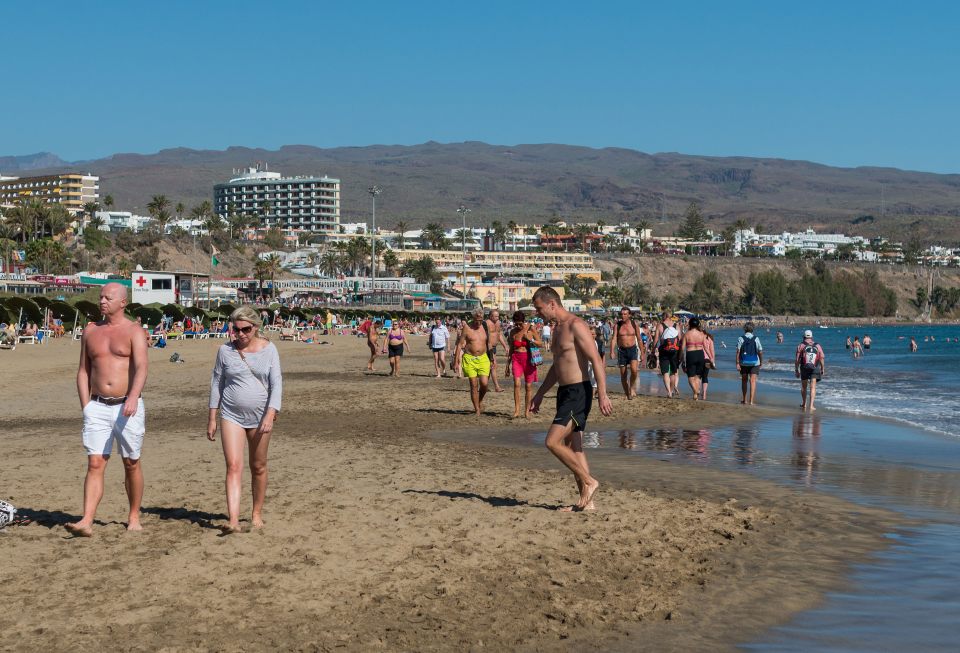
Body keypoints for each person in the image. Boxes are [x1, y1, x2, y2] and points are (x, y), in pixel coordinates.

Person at [66, 283, 148, 537]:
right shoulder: (90, 331)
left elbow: (142, 367)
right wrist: (86, 405)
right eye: (101, 297)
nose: (102, 301)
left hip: (127, 406)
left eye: (108, 298)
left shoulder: (134, 330)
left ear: (122, 302)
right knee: (95, 462)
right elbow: (83, 371)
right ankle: (87, 519)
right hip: (98, 406)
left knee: (131, 462)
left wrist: (133, 397)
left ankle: (133, 514)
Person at [529, 286, 613, 512]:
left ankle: (589, 481)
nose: (538, 314)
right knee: (574, 447)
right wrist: (540, 393)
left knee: (551, 442)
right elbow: (557, 368)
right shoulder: (556, 330)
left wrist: (602, 394)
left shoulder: (576, 325)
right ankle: (588, 502)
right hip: (564, 392)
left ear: (552, 304)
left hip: (579, 392)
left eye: (539, 309)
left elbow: (596, 360)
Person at [207, 306, 282, 533]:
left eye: (245, 329)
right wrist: (212, 417)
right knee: (233, 466)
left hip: (261, 417)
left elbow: (277, 383)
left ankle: (256, 512)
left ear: (256, 327)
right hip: (231, 415)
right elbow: (216, 383)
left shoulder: (269, 350)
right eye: (235, 329)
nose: (240, 334)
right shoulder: (225, 351)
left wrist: (271, 413)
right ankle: (233, 520)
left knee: (258, 466)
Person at [454, 309, 491, 416]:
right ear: (473, 318)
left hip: (483, 358)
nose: (478, 322)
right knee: (474, 385)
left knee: (484, 384)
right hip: (469, 359)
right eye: (476, 320)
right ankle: (477, 410)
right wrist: (456, 362)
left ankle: (479, 402)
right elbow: (460, 345)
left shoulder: (484, 326)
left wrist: (492, 358)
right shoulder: (467, 328)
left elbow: (488, 343)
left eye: (480, 320)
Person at [506, 310, 542, 418]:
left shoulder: (531, 329)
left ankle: (526, 411)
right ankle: (516, 411)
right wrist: (507, 364)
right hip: (516, 358)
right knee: (517, 384)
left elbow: (540, 343)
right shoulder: (513, 332)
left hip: (529, 359)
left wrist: (530, 340)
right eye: (516, 323)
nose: (518, 325)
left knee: (528, 386)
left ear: (524, 321)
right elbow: (512, 348)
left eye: (520, 323)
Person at [610, 307, 642, 400]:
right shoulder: (618, 325)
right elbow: (614, 339)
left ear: (629, 315)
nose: (622, 316)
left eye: (625, 314)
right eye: (621, 314)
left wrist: (643, 353)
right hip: (622, 351)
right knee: (623, 374)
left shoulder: (634, 324)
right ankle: (627, 393)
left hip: (632, 349)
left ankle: (631, 387)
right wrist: (612, 351)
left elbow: (639, 339)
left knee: (634, 371)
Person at [795, 329, 825, 411]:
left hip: (804, 367)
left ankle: (804, 403)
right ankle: (811, 406)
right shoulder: (817, 345)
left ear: (804, 337)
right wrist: (822, 368)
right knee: (813, 387)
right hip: (815, 367)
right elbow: (822, 357)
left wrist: (796, 370)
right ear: (812, 337)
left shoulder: (801, 345)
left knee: (804, 387)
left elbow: (797, 359)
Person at [681, 317, 708, 400]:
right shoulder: (702, 334)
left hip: (691, 354)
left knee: (690, 376)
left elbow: (682, 348)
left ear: (690, 324)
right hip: (700, 354)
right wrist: (710, 357)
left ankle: (695, 391)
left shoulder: (687, 334)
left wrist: (682, 359)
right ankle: (695, 394)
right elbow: (706, 348)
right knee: (698, 376)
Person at [736, 322, 763, 405]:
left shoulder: (741, 338)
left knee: (744, 381)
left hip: (743, 362)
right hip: (755, 363)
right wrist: (761, 362)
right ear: (753, 329)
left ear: (744, 329)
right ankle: (751, 401)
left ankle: (744, 400)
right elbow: (760, 351)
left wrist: (737, 363)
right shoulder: (756, 338)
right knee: (753, 381)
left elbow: (738, 352)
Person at [656, 312, 682, 397]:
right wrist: (681, 353)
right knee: (674, 372)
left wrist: (653, 350)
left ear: (665, 316)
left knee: (665, 372)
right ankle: (672, 389)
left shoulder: (660, 326)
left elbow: (656, 340)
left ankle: (669, 392)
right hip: (675, 351)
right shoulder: (676, 326)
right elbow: (680, 340)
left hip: (664, 351)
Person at [485, 309, 509, 393]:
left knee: (489, 367)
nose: (497, 318)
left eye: (498, 316)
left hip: (494, 347)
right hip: (487, 348)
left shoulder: (498, 323)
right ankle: (496, 387)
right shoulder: (486, 323)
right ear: (491, 316)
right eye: (495, 316)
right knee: (494, 365)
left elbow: (499, 335)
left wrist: (505, 346)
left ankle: (484, 386)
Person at [701, 330, 716, 401]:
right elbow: (712, 350)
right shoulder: (709, 338)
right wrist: (713, 361)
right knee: (705, 376)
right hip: (707, 359)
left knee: (698, 375)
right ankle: (704, 393)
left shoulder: (698, 337)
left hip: (698, 358)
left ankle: (697, 391)